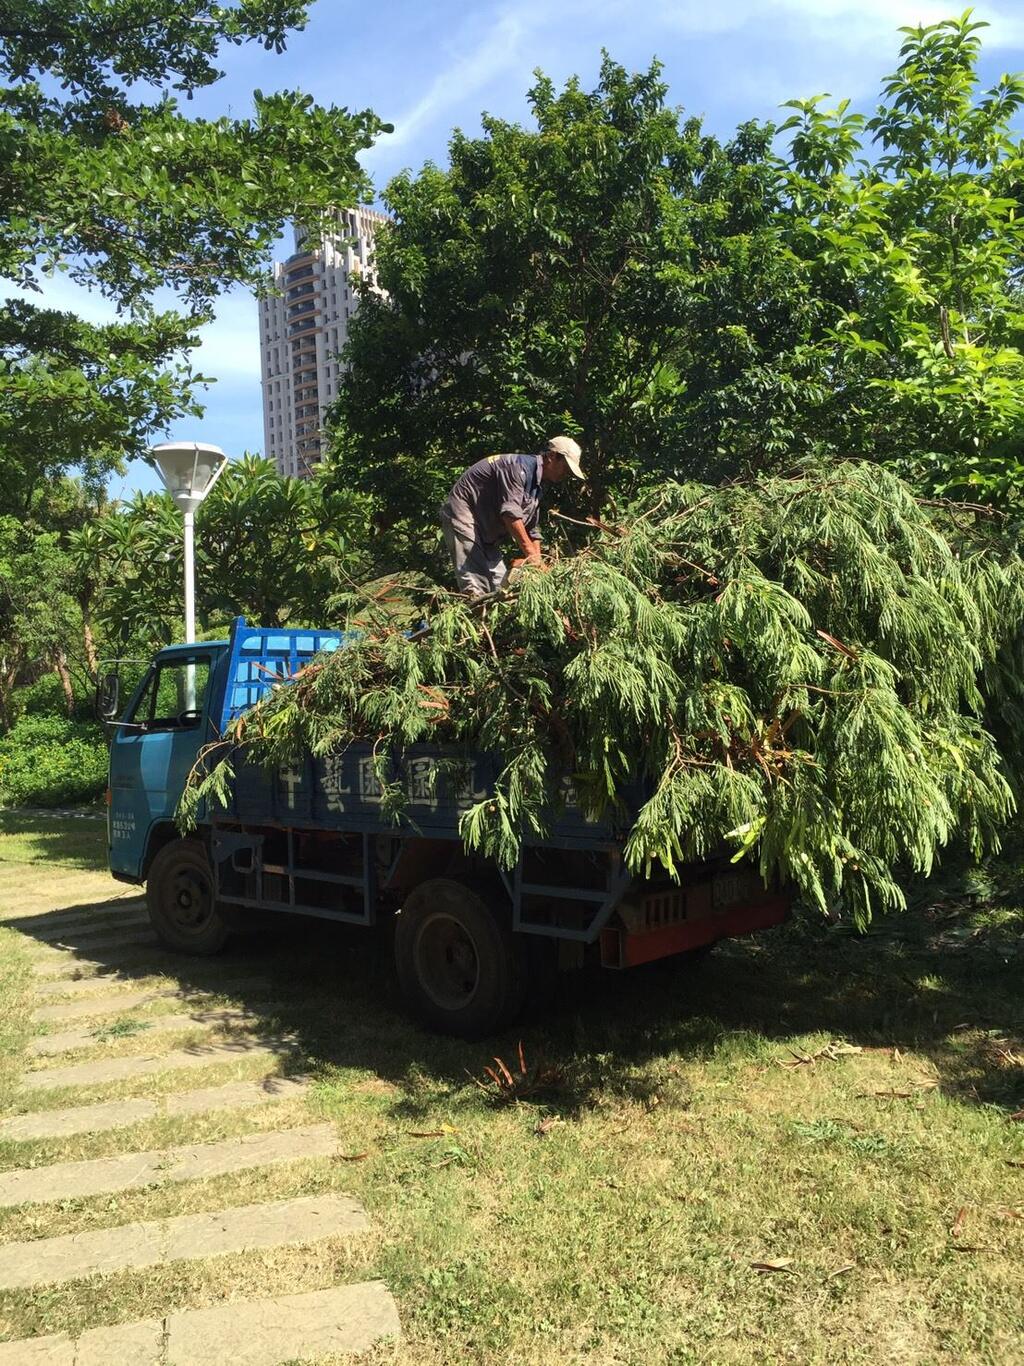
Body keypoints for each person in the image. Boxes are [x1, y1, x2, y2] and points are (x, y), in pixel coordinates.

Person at [439, 436, 584, 597]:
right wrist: (531, 554)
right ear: (552, 456)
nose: (567, 474)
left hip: (487, 531)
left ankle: (492, 617)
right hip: (464, 515)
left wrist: (538, 561)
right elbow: (510, 515)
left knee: (501, 587)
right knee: (476, 586)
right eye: (566, 468)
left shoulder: (538, 484)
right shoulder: (517, 468)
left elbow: (532, 528)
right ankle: (475, 614)